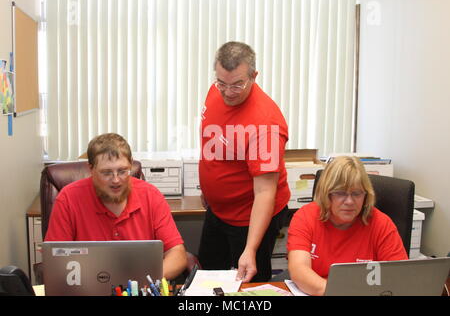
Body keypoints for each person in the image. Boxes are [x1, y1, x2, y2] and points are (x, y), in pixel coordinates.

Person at [198, 41, 291, 282]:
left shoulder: (266, 123)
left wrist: (250, 249)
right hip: (218, 210)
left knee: (249, 285)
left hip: (250, 217)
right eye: (222, 83)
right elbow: (216, 140)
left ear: (254, 76)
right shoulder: (215, 90)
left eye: (238, 84)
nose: (228, 92)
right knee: (208, 277)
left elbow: (265, 192)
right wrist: (210, 187)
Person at [45, 133, 187, 280]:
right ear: (91, 169)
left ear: (131, 164)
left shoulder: (151, 196)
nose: (116, 180)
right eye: (106, 173)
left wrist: (144, 283)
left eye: (122, 171)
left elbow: (177, 253)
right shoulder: (68, 199)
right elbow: (56, 260)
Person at [287, 156, 408, 296]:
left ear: (366, 195)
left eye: (357, 194)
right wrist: (337, 292)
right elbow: (299, 269)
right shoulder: (305, 217)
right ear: (327, 194)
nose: (349, 201)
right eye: (341, 193)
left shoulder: (381, 223)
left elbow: (399, 278)